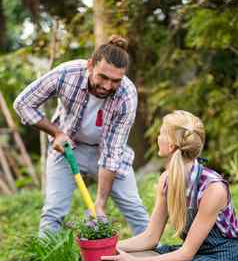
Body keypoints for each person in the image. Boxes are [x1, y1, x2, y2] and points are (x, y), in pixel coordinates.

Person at [14, 35, 149, 236]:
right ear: (90, 65)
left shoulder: (127, 95)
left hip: (106, 152)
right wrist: (56, 133)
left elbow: (112, 154)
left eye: (115, 81)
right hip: (69, 148)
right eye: (102, 77)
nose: (107, 86)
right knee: (53, 210)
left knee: (135, 208)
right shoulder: (67, 73)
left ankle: (151, 256)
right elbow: (23, 103)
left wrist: (100, 204)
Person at [99, 110, 238, 261]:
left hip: (224, 260)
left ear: (171, 144)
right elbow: (150, 237)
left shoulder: (212, 188)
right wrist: (106, 248)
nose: (158, 137)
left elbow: (186, 253)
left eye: (161, 133)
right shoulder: (167, 179)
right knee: (120, 259)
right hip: (197, 254)